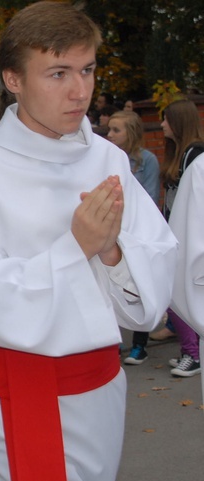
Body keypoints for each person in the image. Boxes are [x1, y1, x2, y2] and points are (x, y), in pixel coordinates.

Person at [0, 3, 177, 481]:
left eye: (87, 70)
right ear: (14, 79)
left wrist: (112, 254)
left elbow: (154, 268)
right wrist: (76, 249)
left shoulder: (108, 158)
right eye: (59, 73)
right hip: (28, 388)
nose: (80, 90)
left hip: (102, 383)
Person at [106, 110, 162, 365]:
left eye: (116, 130)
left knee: (138, 284)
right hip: (113, 230)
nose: (110, 135)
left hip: (135, 231)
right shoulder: (107, 158)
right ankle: (113, 340)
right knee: (109, 287)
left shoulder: (147, 160)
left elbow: (148, 195)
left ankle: (140, 344)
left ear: (131, 133)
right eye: (110, 130)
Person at [160, 99, 204, 378]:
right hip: (175, 229)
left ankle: (192, 353)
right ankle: (189, 350)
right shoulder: (182, 153)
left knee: (179, 287)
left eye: (165, 119)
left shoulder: (195, 157)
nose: (162, 124)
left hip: (185, 235)